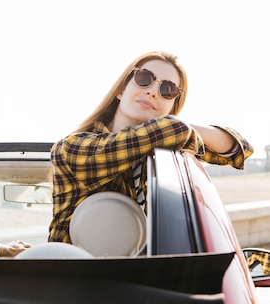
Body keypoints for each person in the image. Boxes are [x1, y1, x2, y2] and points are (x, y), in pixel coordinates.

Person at [49, 51, 254, 243]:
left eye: (168, 90)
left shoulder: (161, 157)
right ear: (121, 89)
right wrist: (174, 126)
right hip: (70, 276)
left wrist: (179, 127)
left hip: (139, 276)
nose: (153, 92)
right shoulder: (72, 148)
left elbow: (240, 150)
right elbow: (174, 130)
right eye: (144, 78)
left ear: (172, 107)